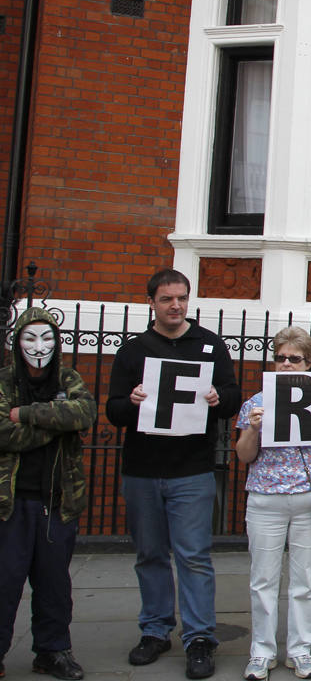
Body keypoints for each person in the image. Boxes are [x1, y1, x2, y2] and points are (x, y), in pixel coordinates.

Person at [106, 269, 241, 679]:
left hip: (192, 469)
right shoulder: (134, 351)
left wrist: (220, 399)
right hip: (143, 470)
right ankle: (155, 630)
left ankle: (199, 637)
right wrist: (131, 403)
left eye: (182, 297)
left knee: (194, 557)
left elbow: (232, 398)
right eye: (167, 299)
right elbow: (113, 411)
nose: (176, 305)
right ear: (152, 302)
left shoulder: (209, 345)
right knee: (149, 555)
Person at [236, 327, 311, 680]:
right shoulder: (256, 402)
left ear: (309, 363)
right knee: (263, 579)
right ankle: (261, 652)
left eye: (294, 358)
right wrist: (253, 429)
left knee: (305, 579)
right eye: (280, 358)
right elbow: (243, 455)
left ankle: (300, 650)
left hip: (309, 498)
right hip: (265, 497)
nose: (285, 364)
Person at [0, 308, 95, 680]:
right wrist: (56, 422)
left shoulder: (68, 377)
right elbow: (2, 433)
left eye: (47, 338)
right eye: (30, 338)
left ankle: (52, 651)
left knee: (54, 583)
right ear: (17, 341)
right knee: (5, 582)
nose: (39, 347)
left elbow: (84, 414)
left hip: (57, 500)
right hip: (10, 503)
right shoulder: (5, 381)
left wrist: (25, 413)